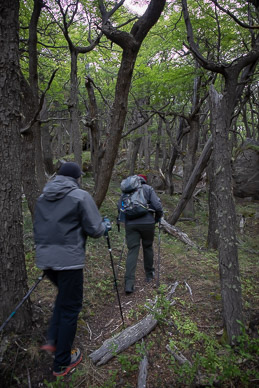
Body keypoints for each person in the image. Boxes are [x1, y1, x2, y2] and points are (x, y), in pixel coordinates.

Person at [33, 162, 111, 377]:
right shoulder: (80, 196)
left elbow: (39, 226)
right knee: (70, 307)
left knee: (64, 297)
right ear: (77, 178)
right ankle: (62, 363)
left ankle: (53, 339)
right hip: (69, 262)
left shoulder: (42, 197)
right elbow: (95, 230)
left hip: (45, 259)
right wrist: (106, 227)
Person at [118, 174, 163, 294]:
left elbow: (120, 207)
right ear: (144, 180)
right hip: (148, 223)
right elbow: (157, 206)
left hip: (131, 225)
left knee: (133, 250)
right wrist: (158, 218)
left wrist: (124, 220)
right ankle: (149, 274)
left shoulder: (127, 190)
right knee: (147, 247)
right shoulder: (148, 189)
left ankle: (129, 283)